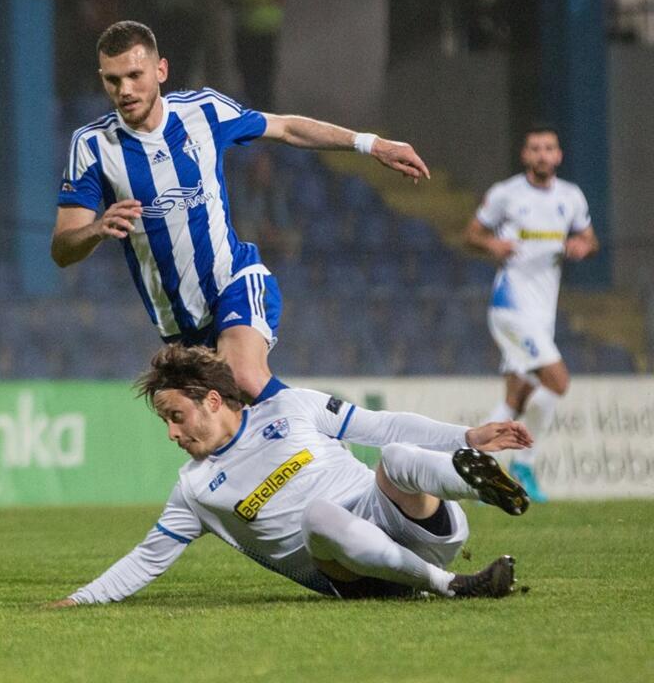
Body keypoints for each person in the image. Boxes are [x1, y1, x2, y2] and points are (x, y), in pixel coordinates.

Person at [51, 21, 429, 401]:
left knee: (244, 378)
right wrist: (96, 229)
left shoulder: (203, 111)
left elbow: (286, 128)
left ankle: (350, 430)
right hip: (178, 324)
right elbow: (63, 250)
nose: (125, 90)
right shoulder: (91, 146)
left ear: (161, 70)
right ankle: (317, 433)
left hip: (233, 280)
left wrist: (371, 144)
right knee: (218, 423)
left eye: (135, 75)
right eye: (113, 80)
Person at [50, 345, 531, 607]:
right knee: (319, 516)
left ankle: (480, 485)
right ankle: (452, 584)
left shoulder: (291, 406)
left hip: (417, 525)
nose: (172, 433)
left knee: (397, 454)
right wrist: (79, 600)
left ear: (212, 401)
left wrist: (467, 436)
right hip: (360, 573)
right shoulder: (194, 489)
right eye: (165, 423)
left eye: (176, 417)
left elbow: (381, 425)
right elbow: (146, 559)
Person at [463, 125, 597, 502]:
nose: (542, 154)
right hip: (510, 306)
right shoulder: (506, 194)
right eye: (535, 148)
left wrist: (582, 246)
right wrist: (491, 244)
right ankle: (525, 464)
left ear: (558, 155)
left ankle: (469, 468)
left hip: (542, 312)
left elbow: (590, 239)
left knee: (517, 398)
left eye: (548, 148)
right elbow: (471, 234)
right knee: (558, 381)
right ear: (525, 155)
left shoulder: (570, 197)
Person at [227, 0, 284, 110]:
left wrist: (256, 2)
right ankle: (253, 109)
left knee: (265, 74)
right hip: (245, 31)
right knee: (247, 73)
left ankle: (267, 109)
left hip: (266, 32)